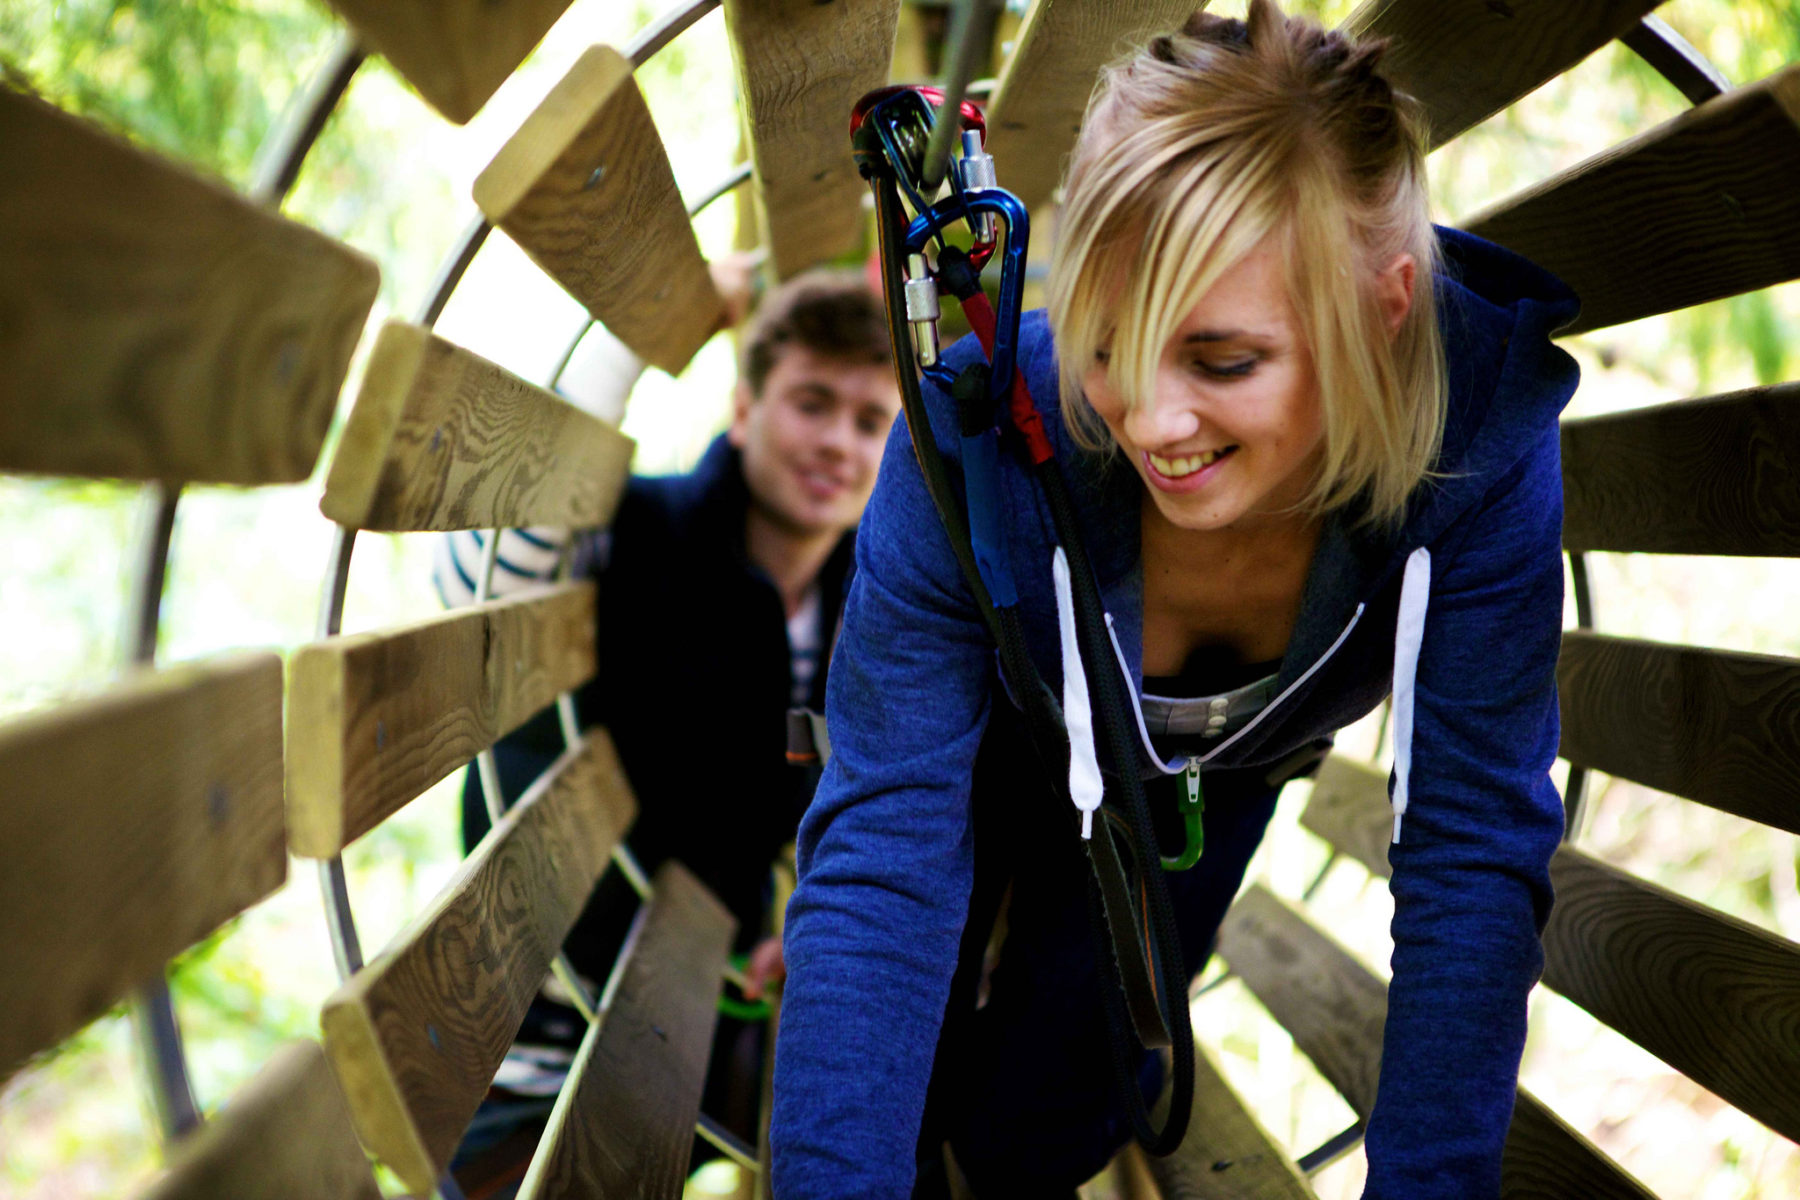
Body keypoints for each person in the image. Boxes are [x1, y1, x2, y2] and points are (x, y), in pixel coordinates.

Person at [771, 5, 1579, 1198]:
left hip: (1207, 791)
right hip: (989, 739)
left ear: (1384, 308)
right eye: (1107, 341)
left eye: (1222, 359)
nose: (1150, 420)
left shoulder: (1479, 449)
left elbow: (1473, 851)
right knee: (902, 1054)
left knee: (1050, 1124)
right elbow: (887, 849)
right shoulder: (977, 427)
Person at [439, 267, 901, 1187]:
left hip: (693, 1017)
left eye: (869, 421)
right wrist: (630, 338)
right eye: (812, 403)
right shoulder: (638, 528)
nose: (838, 443)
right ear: (745, 410)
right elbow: (483, 576)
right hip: (541, 1004)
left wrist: (818, 917)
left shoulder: (871, 607)